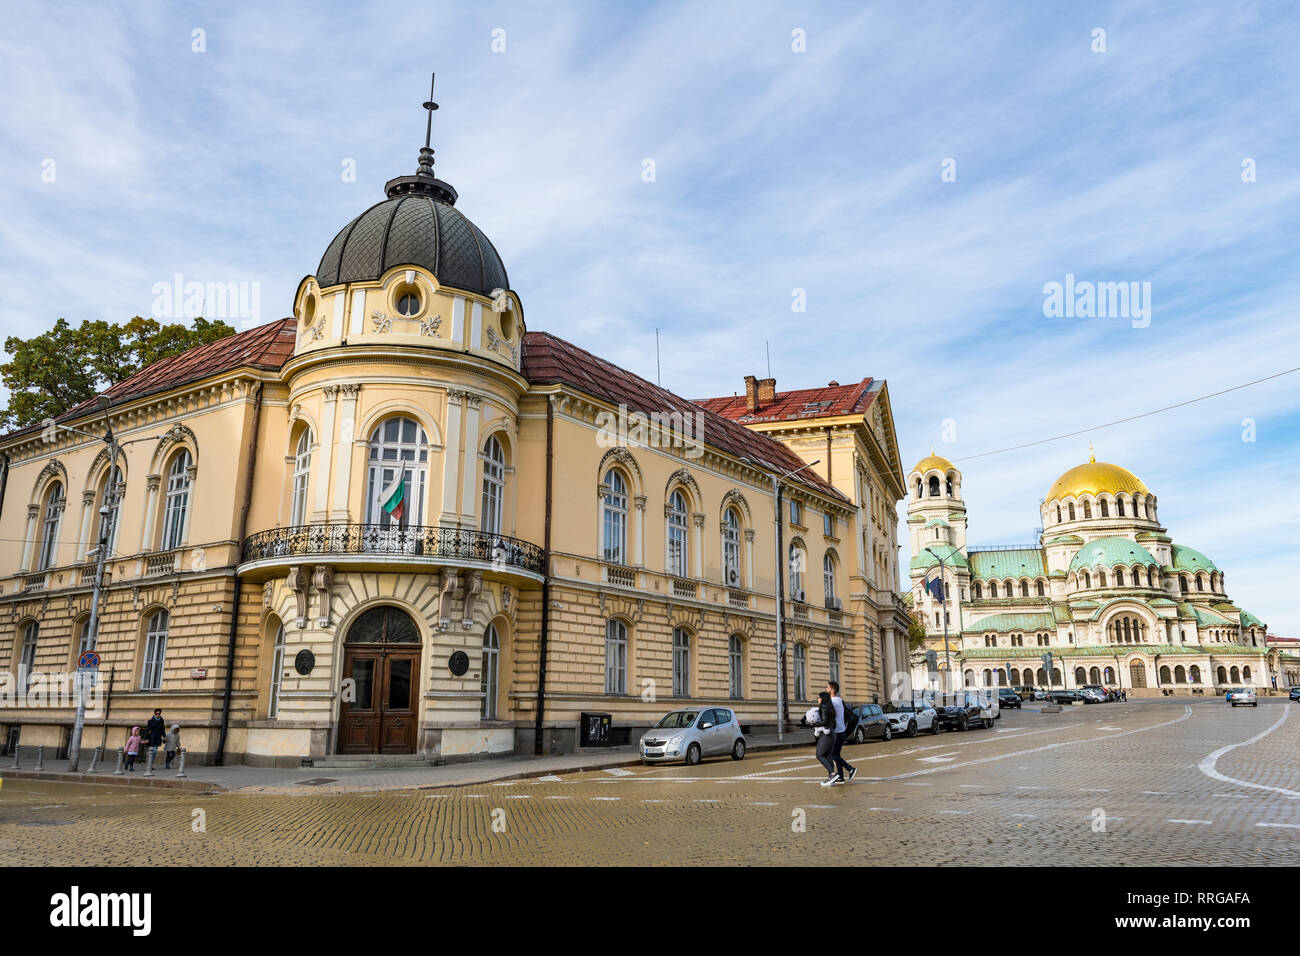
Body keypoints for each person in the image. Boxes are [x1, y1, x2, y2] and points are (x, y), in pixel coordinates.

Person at [827, 680, 856, 784]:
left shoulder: (833, 702)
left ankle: (850, 769)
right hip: (841, 730)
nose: (826, 689)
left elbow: (829, 715)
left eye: (828, 688)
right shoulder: (840, 700)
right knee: (836, 754)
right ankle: (840, 776)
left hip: (836, 731)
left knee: (832, 755)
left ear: (832, 690)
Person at [812, 691, 838, 786]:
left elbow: (825, 721)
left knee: (819, 755)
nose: (817, 699)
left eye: (818, 697)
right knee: (828, 756)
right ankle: (831, 777)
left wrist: (814, 724)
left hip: (826, 734)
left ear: (822, 699)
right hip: (832, 734)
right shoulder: (830, 708)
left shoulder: (823, 708)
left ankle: (832, 774)